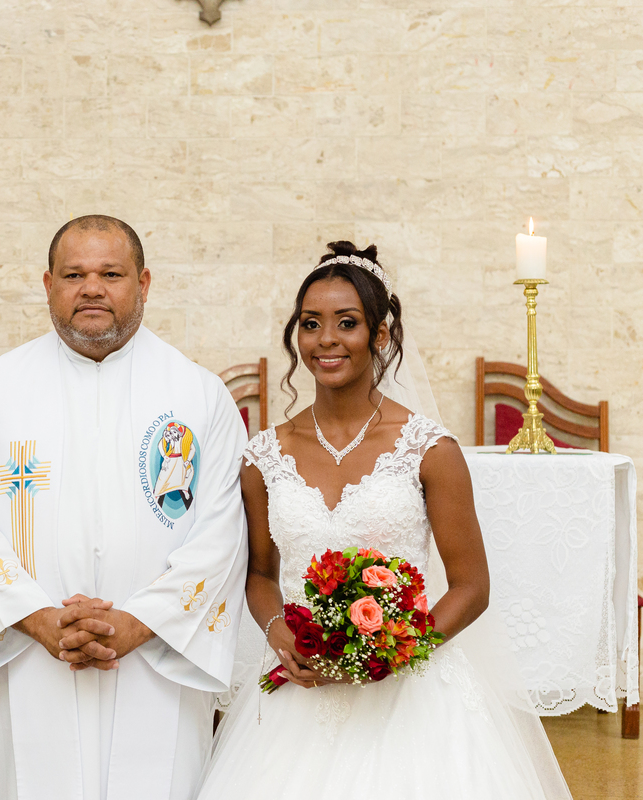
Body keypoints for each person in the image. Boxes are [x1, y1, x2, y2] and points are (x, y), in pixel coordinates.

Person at [195, 242, 572, 799]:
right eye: (310, 323)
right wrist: (280, 635)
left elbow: (471, 586)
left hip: (414, 689)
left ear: (380, 335)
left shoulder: (428, 448)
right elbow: (260, 575)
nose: (326, 339)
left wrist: (386, 657)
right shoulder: (263, 456)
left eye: (346, 323)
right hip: (302, 688)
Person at [0, 215, 248, 800]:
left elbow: (224, 532)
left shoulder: (199, 396)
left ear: (144, 283)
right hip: (32, 659)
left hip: (158, 660)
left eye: (111, 273)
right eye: (74, 274)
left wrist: (139, 623)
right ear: (47, 284)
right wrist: (37, 619)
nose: (91, 288)